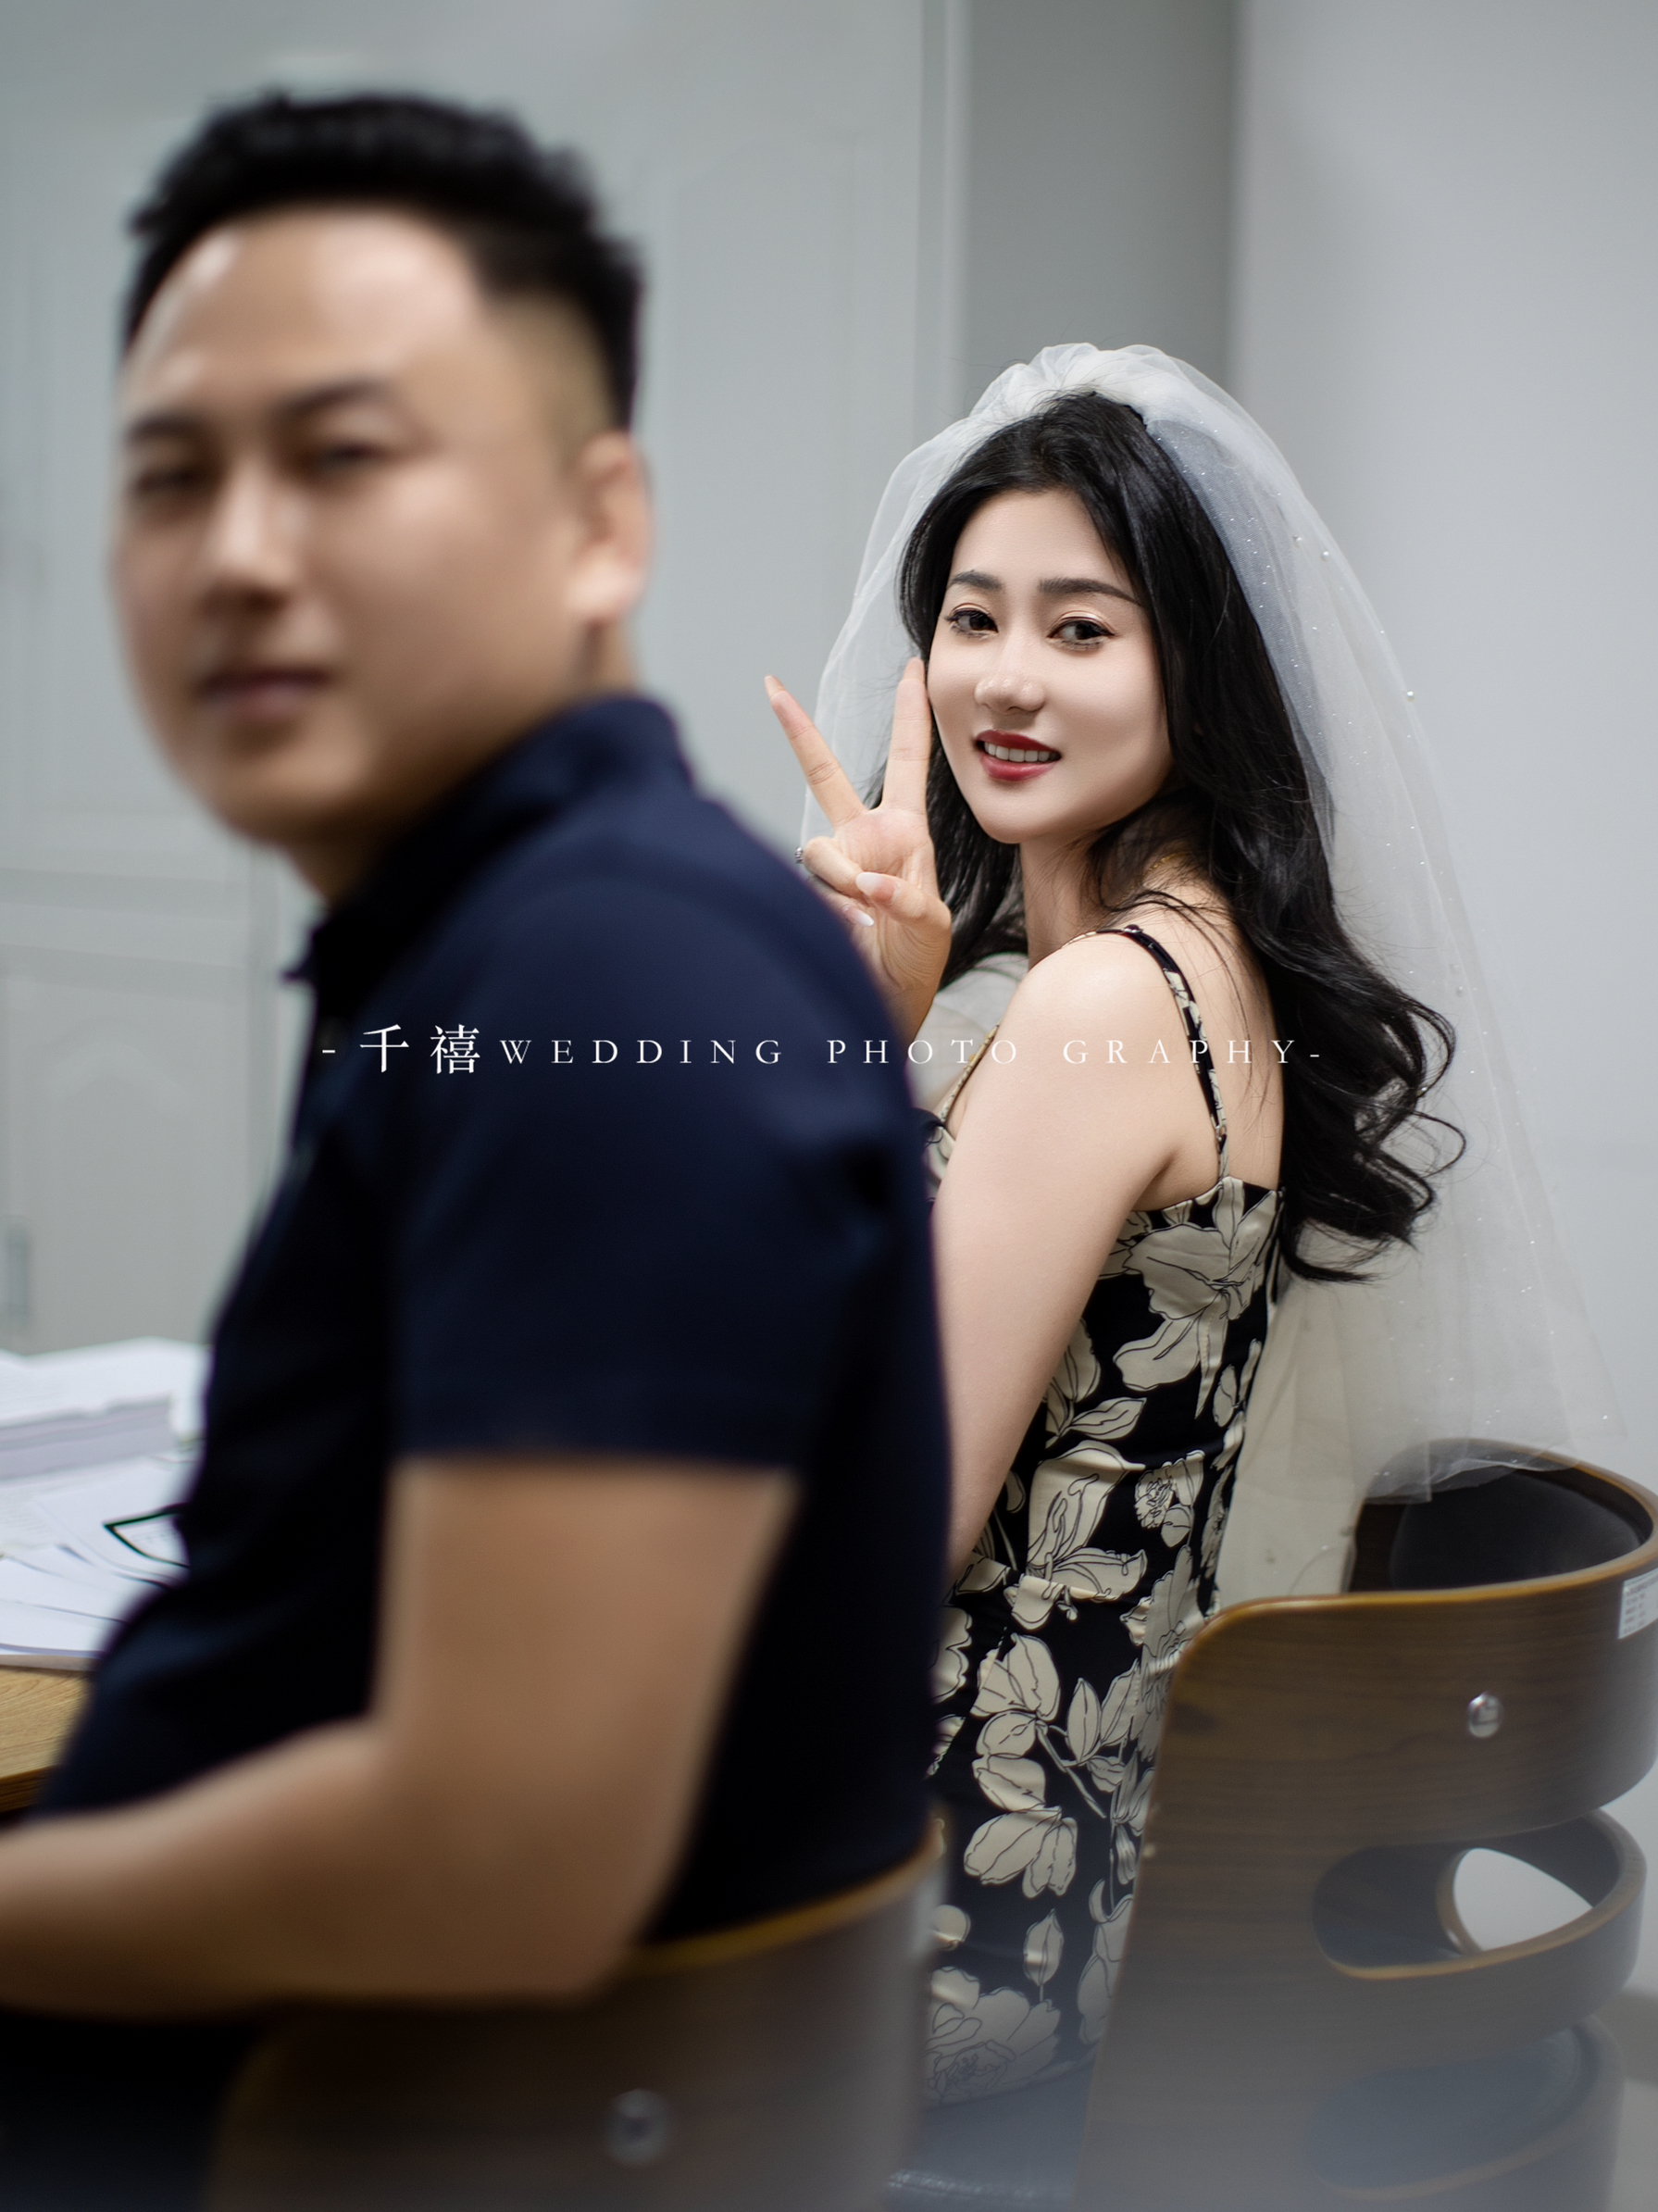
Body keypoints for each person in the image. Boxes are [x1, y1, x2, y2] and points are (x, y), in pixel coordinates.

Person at [0, 92, 946, 2204]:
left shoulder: (608, 967)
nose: (240, 551)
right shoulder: (541, 933)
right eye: (171, 477)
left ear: (600, 523)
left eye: (342, 456)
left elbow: (499, 1855)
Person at [769, 344, 1616, 2103]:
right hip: (1061, 1859)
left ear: (1196, 669)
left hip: (929, 1893)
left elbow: (882, 1536)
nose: (1009, 675)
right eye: (974, 618)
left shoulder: (1095, 1005)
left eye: (1083, 628)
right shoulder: (1197, 963)